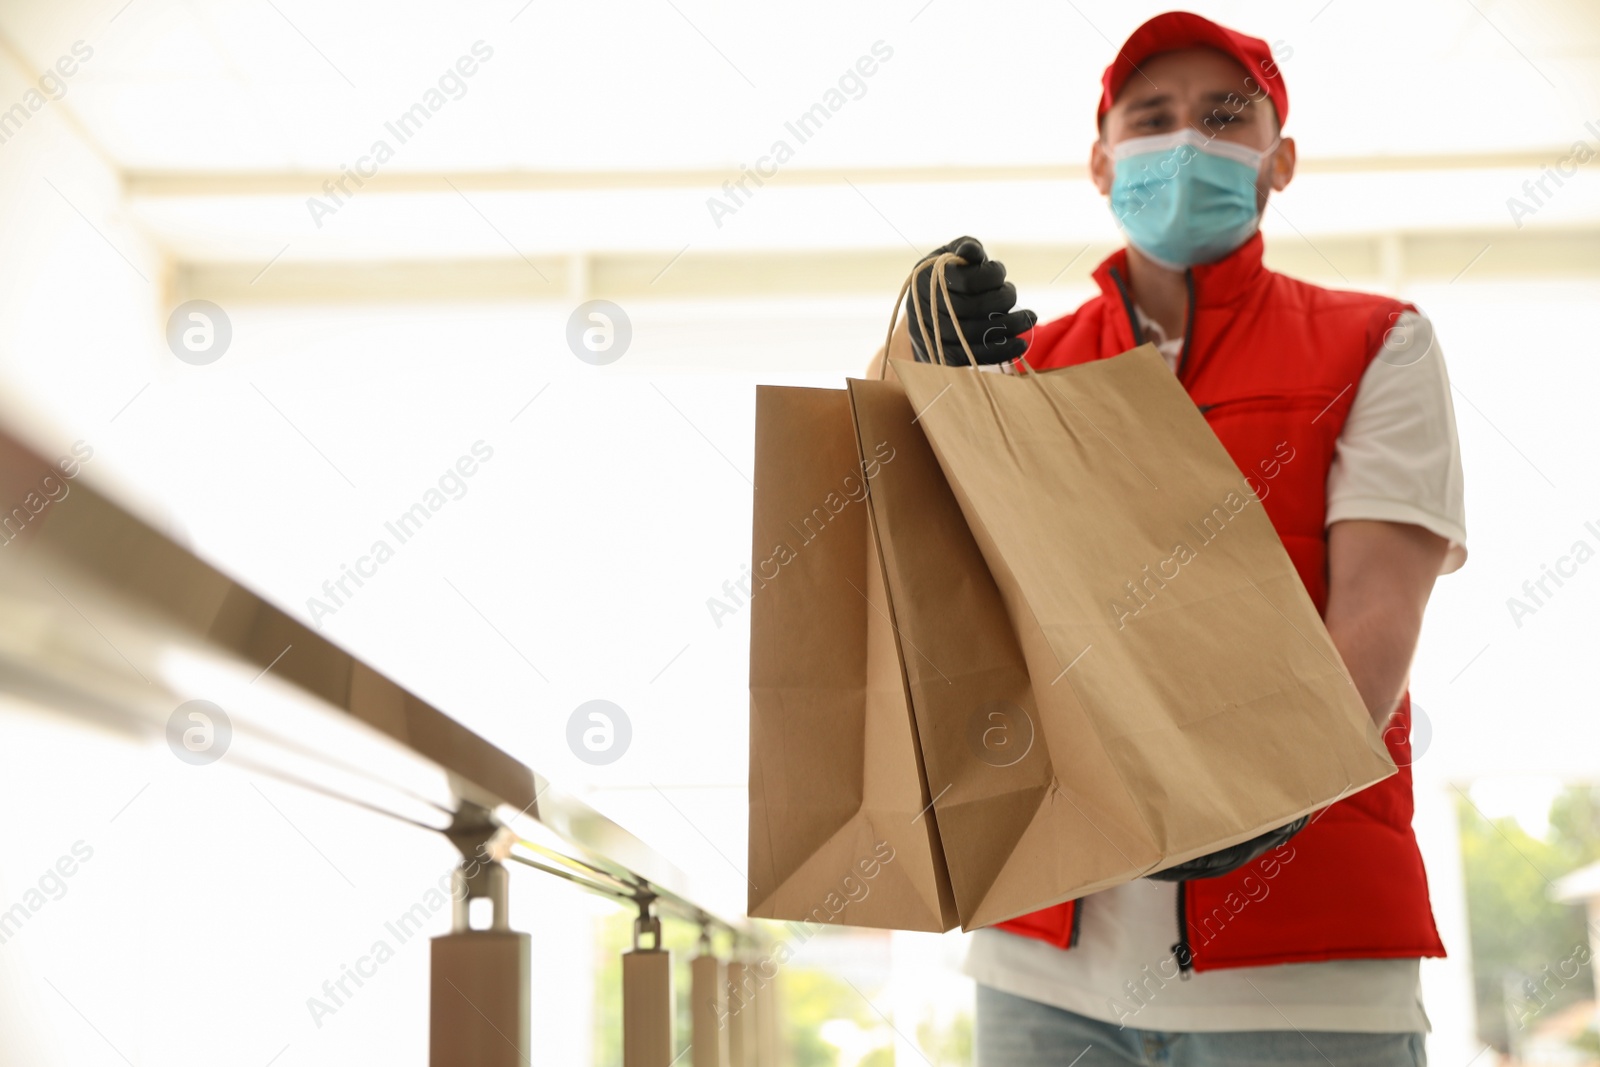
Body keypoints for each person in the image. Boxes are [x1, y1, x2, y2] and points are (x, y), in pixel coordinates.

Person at [871, 11, 1468, 1066]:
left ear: (1278, 161)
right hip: (1044, 959)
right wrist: (920, 374)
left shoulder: (1378, 342)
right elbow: (933, 602)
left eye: (1223, 116)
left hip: (1302, 960)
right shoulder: (1026, 368)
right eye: (1152, 118)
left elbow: (1379, 605)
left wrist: (1270, 788)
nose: (1185, 140)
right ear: (1101, 160)